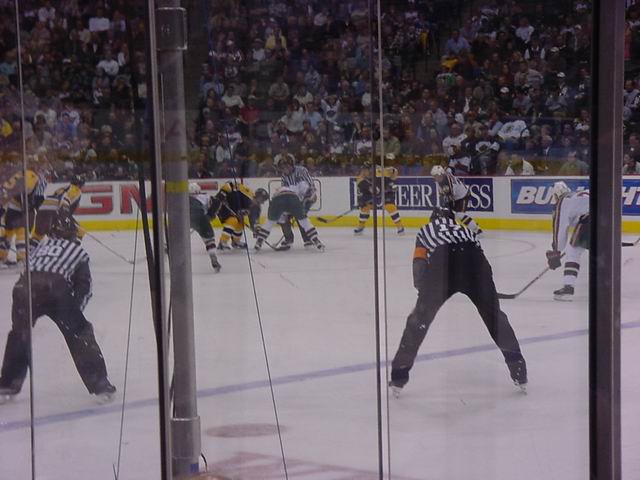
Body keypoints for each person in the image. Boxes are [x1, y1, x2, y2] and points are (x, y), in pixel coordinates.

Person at [389, 207, 527, 396]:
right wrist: (488, 294)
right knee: (495, 318)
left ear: (432, 219)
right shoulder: (465, 230)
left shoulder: (426, 230)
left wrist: (424, 292)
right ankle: (519, 372)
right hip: (474, 261)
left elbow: (419, 262)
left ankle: (398, 376)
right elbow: (483, 262)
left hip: (444, 260)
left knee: (419, 321)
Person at [0, 215, 116, 404]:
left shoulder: (40, 247)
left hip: (23, 288)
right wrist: (75, 314)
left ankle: (7, 384)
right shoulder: (78, 252)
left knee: (19, 334)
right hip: (54, 288)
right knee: (79, 333)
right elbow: (83, 287)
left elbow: (26, 273)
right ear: (71, 234)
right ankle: (100, 385)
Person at [545, 181, 589, 301]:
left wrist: (556, 251)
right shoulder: (576, 196)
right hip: (608, 220)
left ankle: (568, 288)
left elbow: (560, 227)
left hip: (589, 220)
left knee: (573, 252)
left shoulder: (563, 201)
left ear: (556, 194)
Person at [254, 182, 324, 252]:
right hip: (293, 199)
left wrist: (285, 218)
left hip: (277, 200)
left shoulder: (283, 189)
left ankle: (259, 242)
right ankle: (316, 241)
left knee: (270, 223)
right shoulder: (298, 189)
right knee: (304, 221)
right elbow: (306, 199)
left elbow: (282, 220)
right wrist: (298, 213)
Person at [0, 167, 48, 267]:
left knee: (8, 234)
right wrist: (29, 206)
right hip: (16, 209)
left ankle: (1, 258)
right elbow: (23, 192)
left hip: (9, 207)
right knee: (21, 233)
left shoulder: (19, 173)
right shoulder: (32, 176)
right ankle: (22, 259)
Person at [210, 181, 269, 250]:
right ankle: (222, 242)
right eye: (261, 199)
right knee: (233, 220)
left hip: (234, 211)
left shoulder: (256, 208)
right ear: (256, 195)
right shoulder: (247, 193)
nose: (262, 202)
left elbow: (254, 221)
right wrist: (222, 194)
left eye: (263, 200)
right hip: (223, 206)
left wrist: (256, 229)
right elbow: (230, 184)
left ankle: (236, 242)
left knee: (240, 222)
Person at [276, 153, 318, 248]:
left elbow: (309, 186)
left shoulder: (301, 170)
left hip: (308, 197)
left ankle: (308, 239)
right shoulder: (284, 176)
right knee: (282, 214)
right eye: (282, 168)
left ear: (291, 164)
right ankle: (288, 238)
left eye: (285, 166)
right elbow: (285, 190)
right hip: (294, 199)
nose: (284, 169)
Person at [31, 175, 86, 248]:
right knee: (79, 231)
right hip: (59, 208)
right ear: (80, 185)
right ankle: (70, 249)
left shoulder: (61, 188)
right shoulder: (77, 191)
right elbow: (66, 209)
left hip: (44, 206)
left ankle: (30, 250)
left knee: (38, 234)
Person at [354, 159, 404, 235]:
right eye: (363, 170)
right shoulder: (361, 179)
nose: (363, 172)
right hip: (372, 195)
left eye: (365, 170)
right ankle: (361, 226)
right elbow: (365, 192)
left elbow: (394, 174)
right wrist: (362, 201)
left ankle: (400, 226)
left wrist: (391, 185)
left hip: (386, 193)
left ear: (370, 169)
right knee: (364, 208)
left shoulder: (381, 172)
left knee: (390, 206)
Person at [431, 165, 482, 235]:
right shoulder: (445, 174)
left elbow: (448, 197)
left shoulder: (447, 185)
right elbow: (451, 168)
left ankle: (477, 230)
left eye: (435, 176)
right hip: (456, 196)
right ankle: (451, 231)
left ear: (440, 175)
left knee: (460, 215)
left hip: (463, 195)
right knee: (448, 214)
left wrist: (444, 208)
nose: (434, 178)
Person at [188, 182, 222, 272]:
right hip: (201, 218)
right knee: (209, 240)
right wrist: (210, 214)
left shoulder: (183, 199)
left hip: (186, 218)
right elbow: (217, 202)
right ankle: (213, 256)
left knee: (177, 238)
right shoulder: (205, 196)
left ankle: (169, 247)